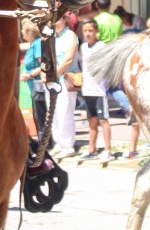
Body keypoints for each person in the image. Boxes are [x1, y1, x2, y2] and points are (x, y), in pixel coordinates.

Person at [79, 19, 113, 164]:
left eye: (90, 30)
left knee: (103, 120)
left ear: (96, 31)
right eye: (85, 31)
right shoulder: (83, 47)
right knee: (91, 120)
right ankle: (91, 149)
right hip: (87, 89)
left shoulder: (102, 46)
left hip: (100, 89)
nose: (88, 33)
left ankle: (108, 150)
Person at [45, 14, 79, 159]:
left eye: (58, 19)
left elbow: (68, 59)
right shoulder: (51, 35)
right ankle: (58, 143)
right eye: (52, 19)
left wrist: (54, 74)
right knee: (53, 113)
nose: (55, 22)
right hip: (52, 79)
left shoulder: (70, 35)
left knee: (65, 111)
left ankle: (68, 145)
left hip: (65, 78)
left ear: (65, 20)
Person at [19, 20, 50, 146]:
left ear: (28, 31)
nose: (21, 32)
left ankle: (44, 143)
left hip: (38, 84)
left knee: (40, 115)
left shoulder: (37, 44)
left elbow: (42, 64)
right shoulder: (33, 44)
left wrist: (30, 75)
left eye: (23, 29)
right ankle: (44, 141)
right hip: (33, 85)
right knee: (38, 115)